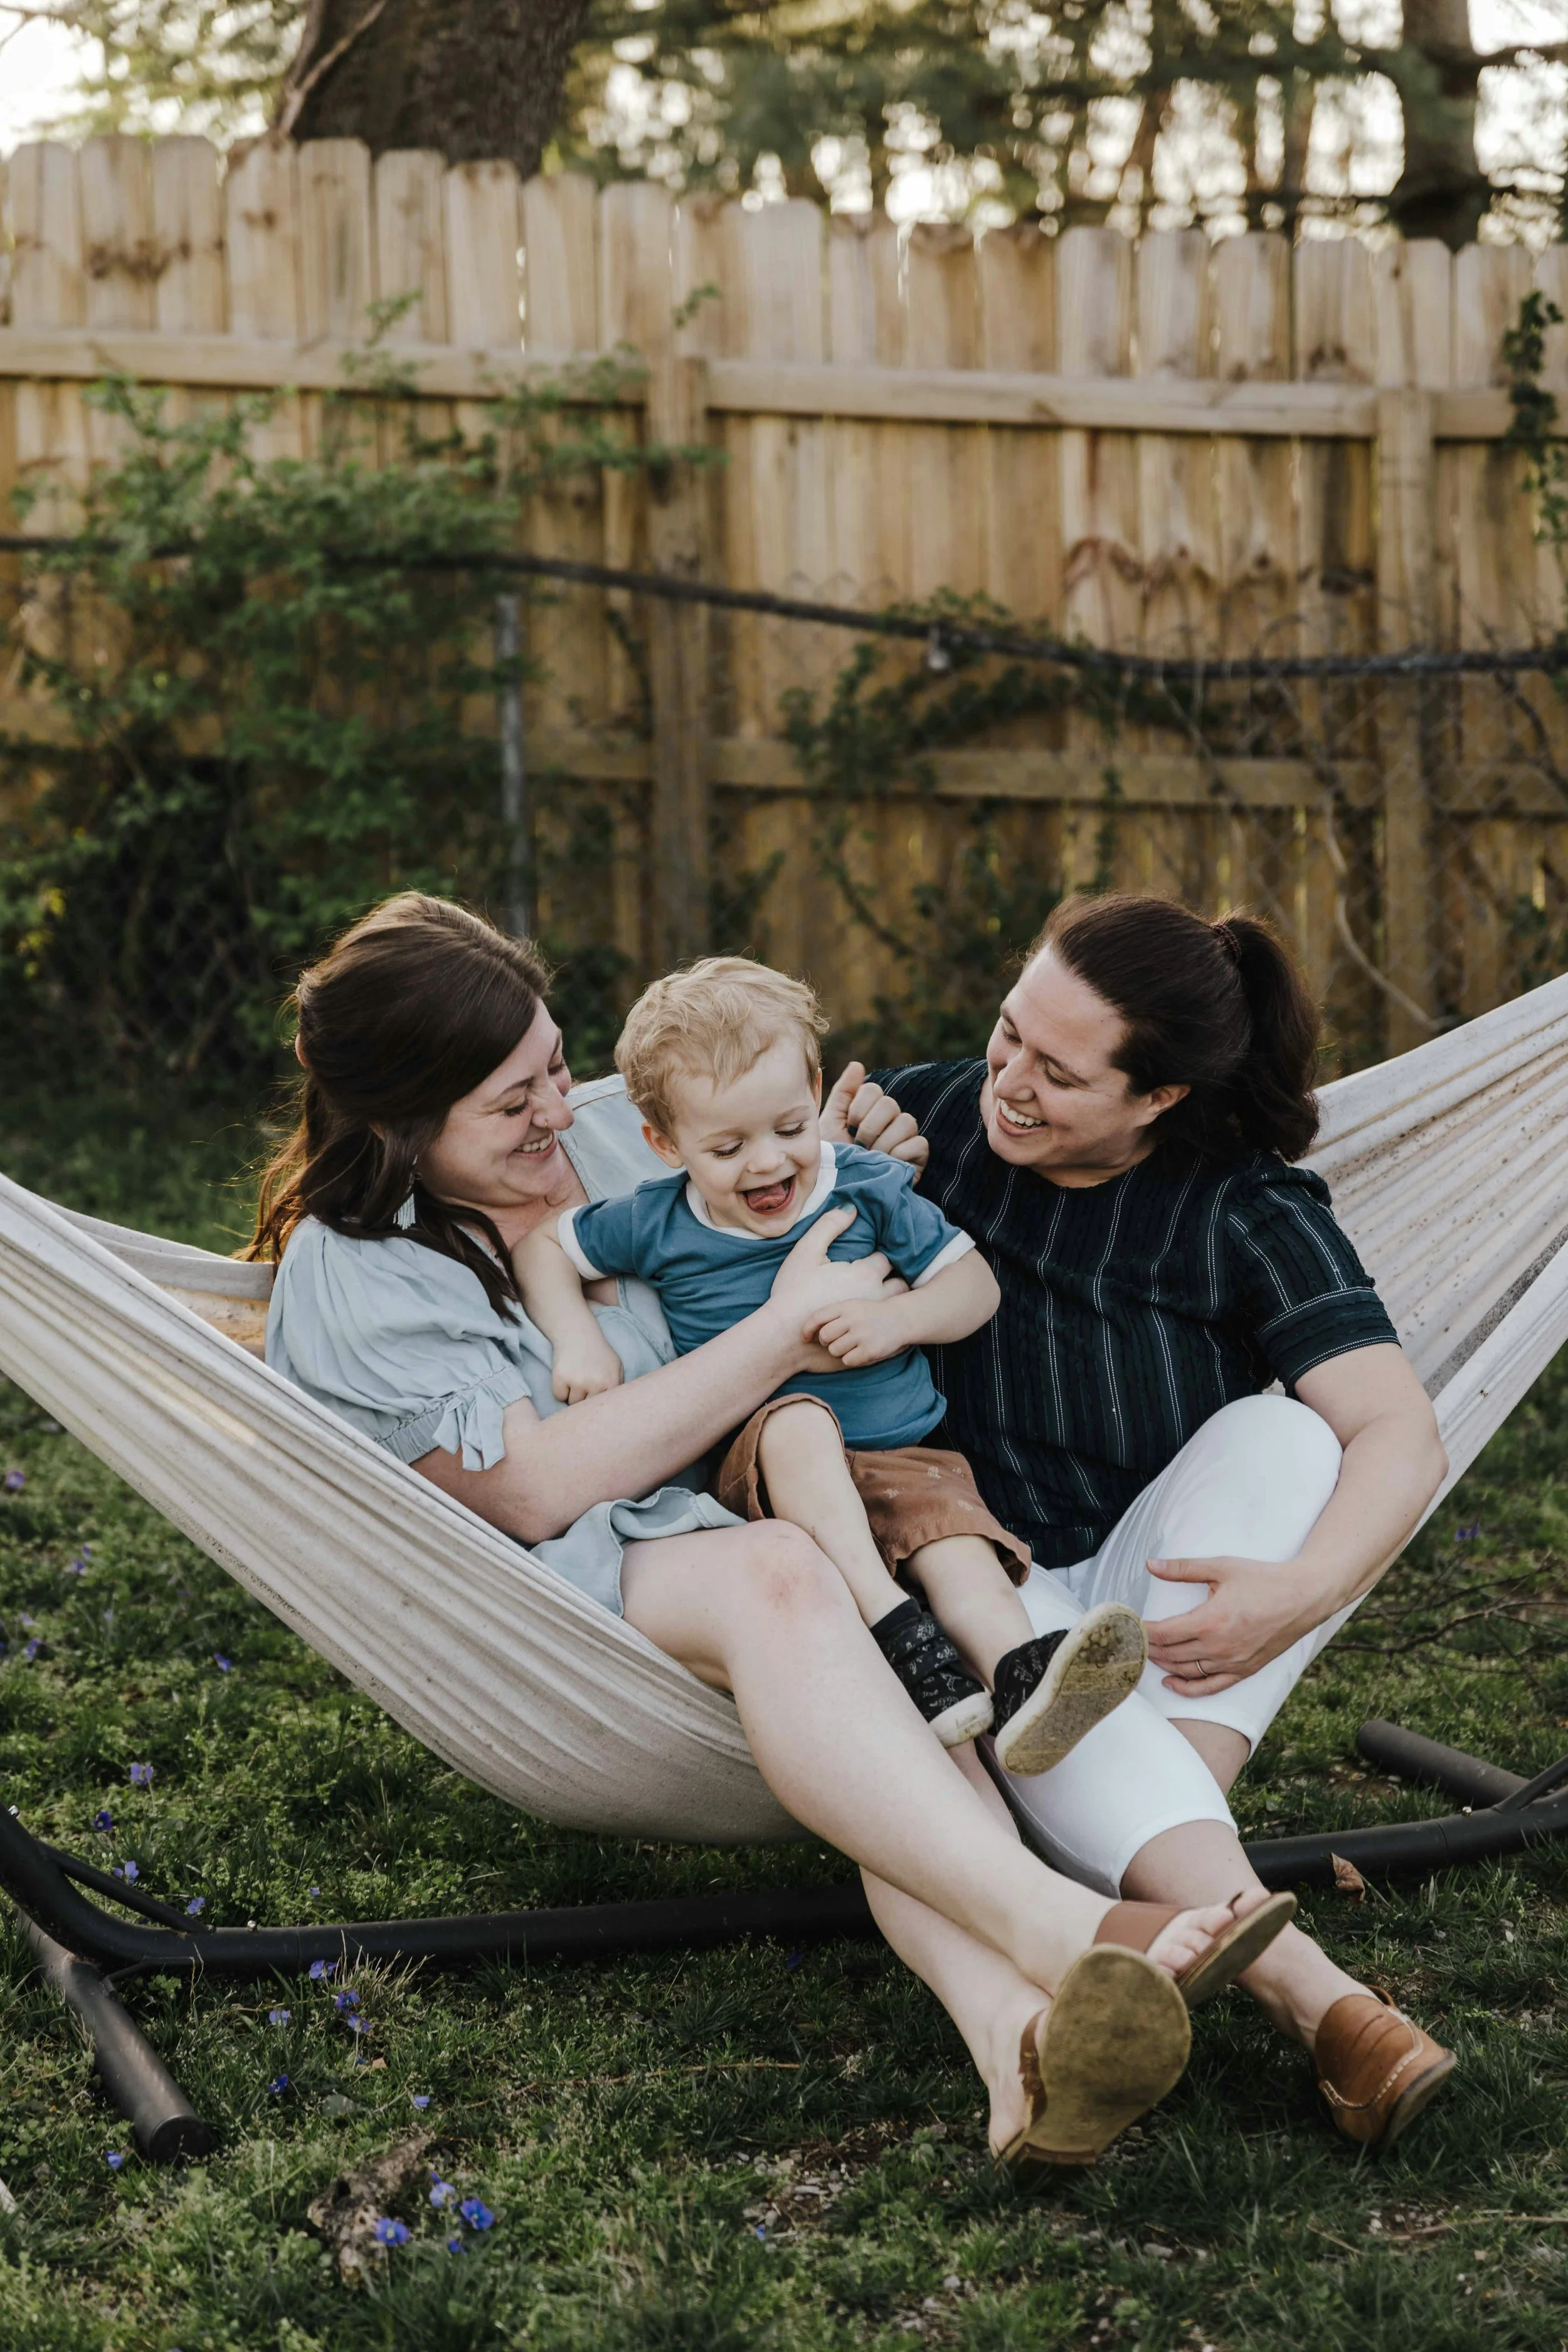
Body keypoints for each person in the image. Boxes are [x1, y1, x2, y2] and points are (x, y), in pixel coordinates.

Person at [252, 891, 1295, 2171]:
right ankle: (1073, 1925)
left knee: (890, 1669)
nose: (555, 1116)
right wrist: (784, 1329)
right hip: (553, 1594)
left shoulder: (613, 1144)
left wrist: (867, 1147)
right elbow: (532, 1491)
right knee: (792, 1576)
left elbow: (785, 1170)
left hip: (752, 1504)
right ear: (402, 1125)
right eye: (508, 1102)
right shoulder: (354, 1268)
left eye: (554, 1069)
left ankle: (1013, 2045)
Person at [844, 889, 1458, 2151]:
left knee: (1293, 1435)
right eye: (1008, 1032)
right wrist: (835, 1149)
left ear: (1156, 1098)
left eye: (1056, 1073)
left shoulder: (1240, 1208)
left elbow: (1399, 1432)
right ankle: (1318, 2001)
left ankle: (1118, 1859)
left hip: (1142, 1603)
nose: (1004, 1079)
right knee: (1022, 1625)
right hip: (971, 1577)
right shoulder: (933, 1130)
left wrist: (1297, 1593)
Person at [513, 956, 1149, 1775]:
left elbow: (973, 1285)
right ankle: (893, 1623)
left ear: (814, 1089)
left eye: (787, 1127)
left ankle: (1022, 1681)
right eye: (727, 1146)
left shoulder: (869, 1186)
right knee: (801, 1420)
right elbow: (542, 1248)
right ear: (663, 1143)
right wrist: (578, 1337)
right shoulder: (655, 1218)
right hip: (765, 1469)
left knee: (960, 1555)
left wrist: (899, 1320)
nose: (768, 1163)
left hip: (905, 1453)